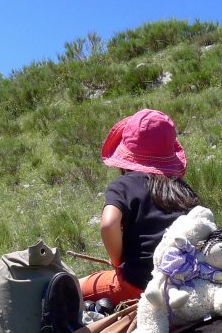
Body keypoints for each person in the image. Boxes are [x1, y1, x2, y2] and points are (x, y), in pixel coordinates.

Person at [80, 108, 200, 307]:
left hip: (140, 284)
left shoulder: (124, 185)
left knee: (74, 287)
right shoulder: (183, 189)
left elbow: (108, 224)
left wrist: (117, 262)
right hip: (188, 281)